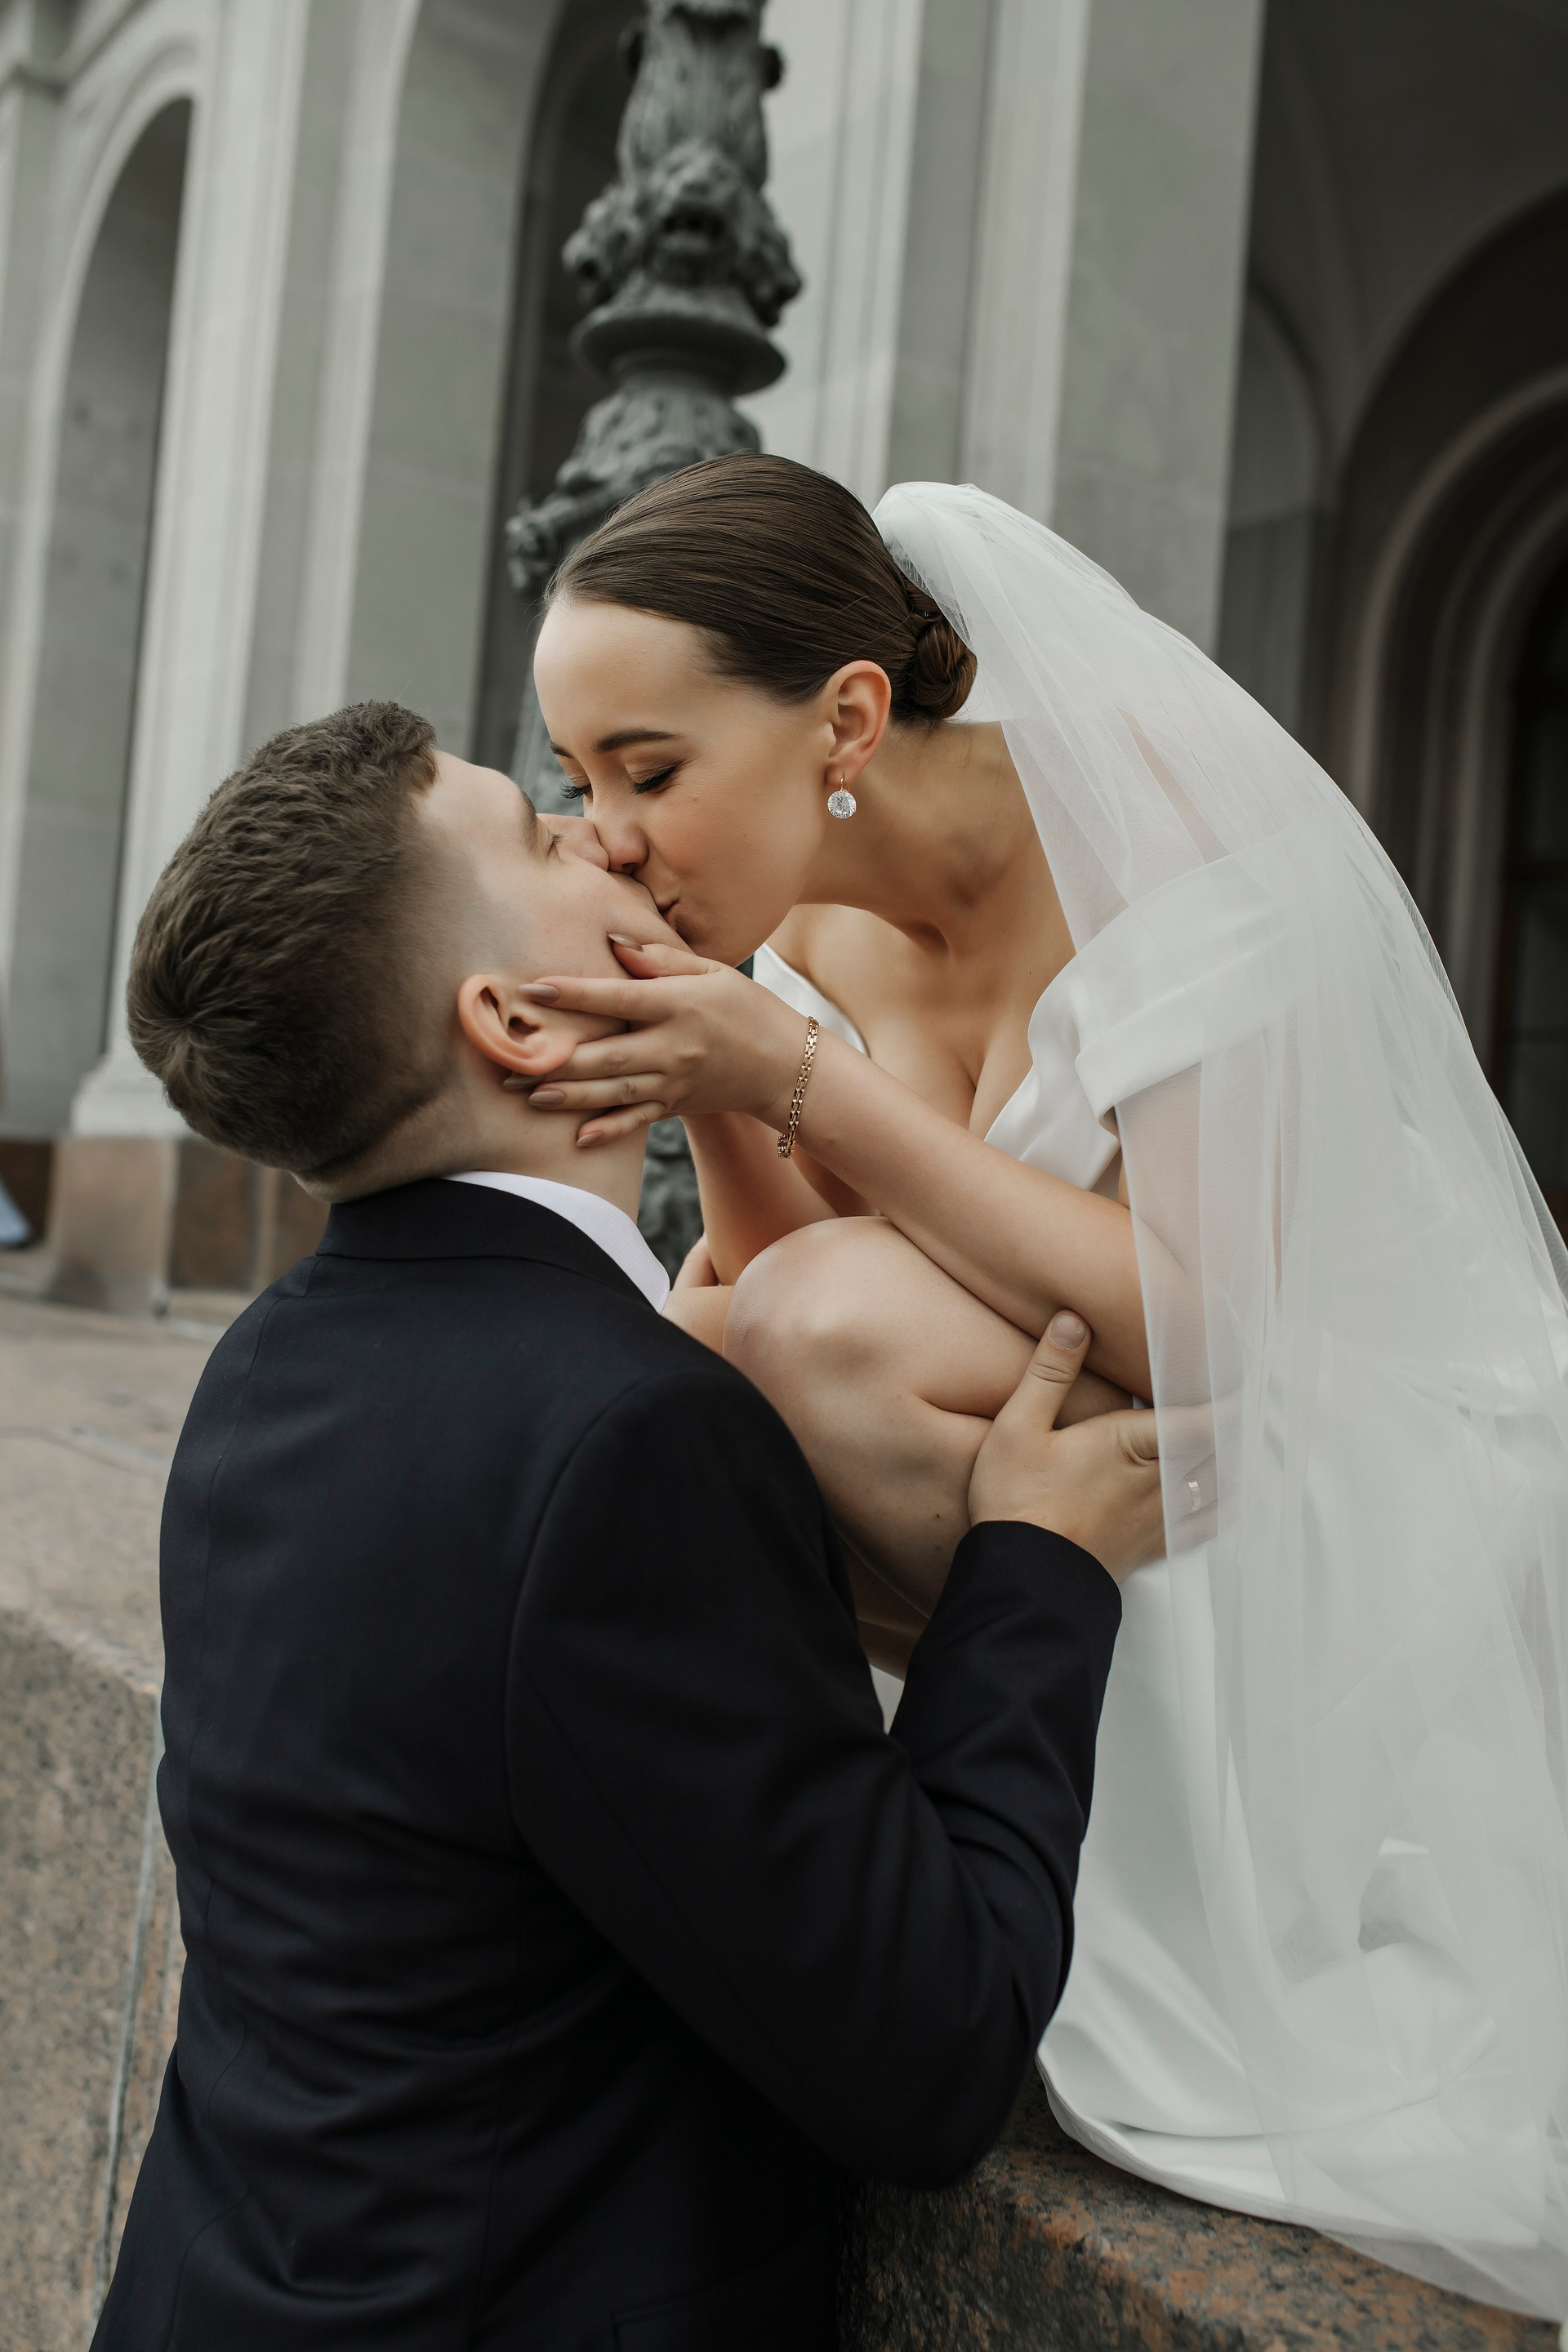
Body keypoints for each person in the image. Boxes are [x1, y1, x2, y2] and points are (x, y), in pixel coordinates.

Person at [520, 456, 1568, 2316]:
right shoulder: (801, 921)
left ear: (848, 721)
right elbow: (782, 1276)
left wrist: (790, 1075)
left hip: (1331, 1451)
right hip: (1085, 1447)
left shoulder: (1159, 833)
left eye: (649, 771)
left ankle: (1081, 1815)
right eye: (579, 780)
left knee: (792, 1329)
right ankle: (903, 1812)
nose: (609, 835)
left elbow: (1201, 1327)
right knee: (696, 1351)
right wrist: (713, 1067)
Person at [91, 702, 1167, 2351]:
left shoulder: (264, 1369)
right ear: (519, 1020)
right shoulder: (631, 1440)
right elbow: (934, 2052)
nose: (605, 833)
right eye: (544, 837)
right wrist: (1036, 1562)